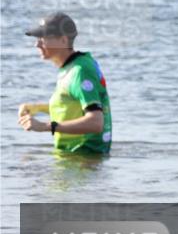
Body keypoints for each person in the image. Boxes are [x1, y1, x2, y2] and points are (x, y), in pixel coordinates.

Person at [18, 12, 113, 154]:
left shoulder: (80, 71)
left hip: (83, 157)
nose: (37, 44)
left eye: (43, 38)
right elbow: (71, 107)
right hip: (73, 157)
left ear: (63, 40)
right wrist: (38, 108)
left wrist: (46, 126)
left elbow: (96, 122)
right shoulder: (71, 66)